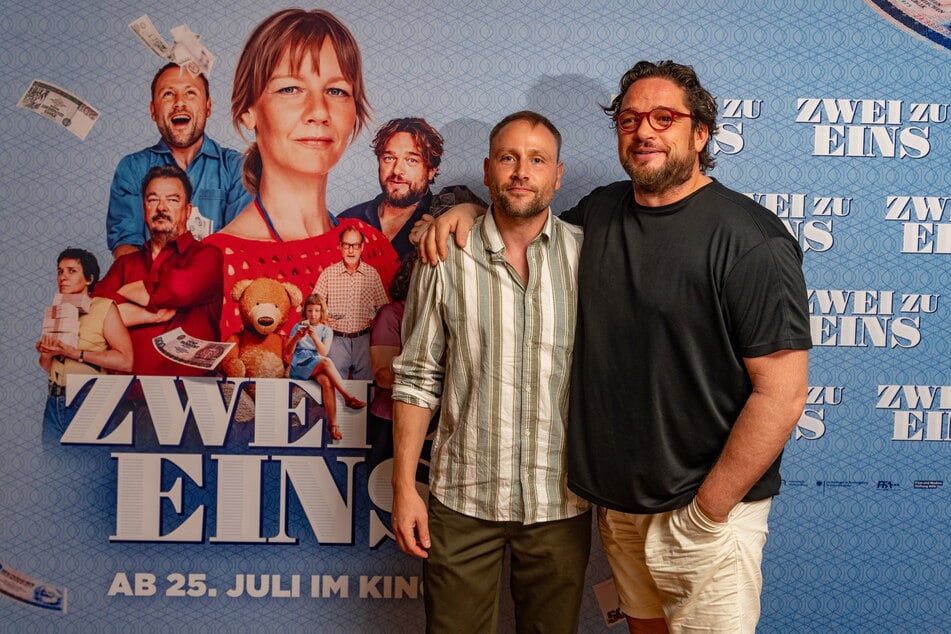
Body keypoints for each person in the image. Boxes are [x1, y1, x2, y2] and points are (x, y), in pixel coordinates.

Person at [420, 61, 812, 633]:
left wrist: (707, 513)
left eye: (664, 118)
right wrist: (464, 210)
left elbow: (783, 394)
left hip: (703, 511)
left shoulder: (750, 240)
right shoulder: (599, 216)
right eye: (630, 120)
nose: (644, 132)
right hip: (620, 510)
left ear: (700, 134)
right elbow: (523, 224)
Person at [392, 111, 591, 633]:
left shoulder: (587, 258)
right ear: (487, 170)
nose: (522, 172)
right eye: (509, 158)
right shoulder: (444, 257)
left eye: (537, 160)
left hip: (560, 501)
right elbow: (416, 377)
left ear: (558, 174)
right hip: (462, 499)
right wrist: (404, 488)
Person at [203, 9, 400, 352]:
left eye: (337, 91)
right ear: (248, 110)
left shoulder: (376, 250)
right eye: (291, 89)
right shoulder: (213, 262)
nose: (320, 112)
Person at [107, 62, 251, 258]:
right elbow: (126, 247)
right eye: (168, 94)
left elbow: (241, 244)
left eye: (190, 93)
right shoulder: (132, 169)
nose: (179, 103)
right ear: (153, 111)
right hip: (150, 286)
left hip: (218, 285)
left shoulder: (236, 167)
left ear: (208, 107)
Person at [95, 165, 224, 376]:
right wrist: (150, 315)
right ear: (144, 209)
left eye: (172, 200)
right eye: (153, 200)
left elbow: (177, 289)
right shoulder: (125, 265)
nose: (161, 208)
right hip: (125, 397)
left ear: (188, 211)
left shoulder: (207, 256)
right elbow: (95, 316)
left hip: (190, 396)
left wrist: (124, 304)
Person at [338, 117, 485, 260]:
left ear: (431, 170)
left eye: (411, 160)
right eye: (389, 158)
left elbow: (493, 223)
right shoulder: (347, 220)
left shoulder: (444, 211)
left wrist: (468, 211)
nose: (397, 170)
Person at [37, 248, 133, 437]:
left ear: (89, 279)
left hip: (89, 399)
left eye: (71, 271)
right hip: (54, 400)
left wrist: (77, 354)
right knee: (53, 462)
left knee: (86, 461)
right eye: (60, 271)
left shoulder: (104, 307)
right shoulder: (57, 311)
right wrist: (46, 353)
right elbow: (47, 366)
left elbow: (126, 361)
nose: (63, 277)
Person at [285, 292, 366, 441]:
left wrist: (314, 336)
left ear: (322, 312)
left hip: (316, 363)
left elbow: (323, 351)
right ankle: (348, 397)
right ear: (305, 311)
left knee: (327, 383)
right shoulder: (297, 326)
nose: (313, 314)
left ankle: (333, 425)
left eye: (317, 310)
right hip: (300, 365)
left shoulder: (326, 330)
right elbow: (287, 353)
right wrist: (297, 337)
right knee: (327, 362)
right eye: (310, 311)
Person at [312, 227, 389, 380]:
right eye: (347, 245)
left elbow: (384, 310)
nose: (351, 251)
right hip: (336, 340)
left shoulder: (372, 274)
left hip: (364, 340)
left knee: (366, 388)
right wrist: (323, 321)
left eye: (355, 246)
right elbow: (313, 307)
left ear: (362, 247)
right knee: (334, 385)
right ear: (339, 246)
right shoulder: (328, 274)